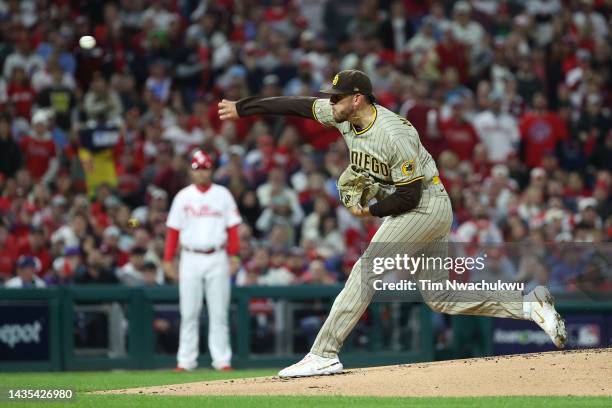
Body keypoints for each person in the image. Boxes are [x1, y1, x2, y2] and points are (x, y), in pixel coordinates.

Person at [217, 69, 567, 378]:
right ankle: (528, 304)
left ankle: (323, 354)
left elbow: (409, 197)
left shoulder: (394, 133)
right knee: (440, 296)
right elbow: (296, 105)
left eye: (337, 98)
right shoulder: (342, 115)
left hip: (423, 204)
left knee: (366, 271)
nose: (330, 102)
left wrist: (369, 210)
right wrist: (243, 108)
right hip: (423, 206)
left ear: (357, 99)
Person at [163, 149, 242, 371]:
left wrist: (235, 255)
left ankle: (222, 360)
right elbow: (172, 230)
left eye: (206, 169)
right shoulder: (183, 196)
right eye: (198, 169)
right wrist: (168, 259)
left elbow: (233, 228)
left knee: (219, 312)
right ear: (191, 171)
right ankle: (185, 361)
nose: (202, 173)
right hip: (190, 257)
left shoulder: (223, 194)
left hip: (217, 256)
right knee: (188, 312)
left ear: (212, 170)